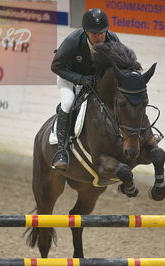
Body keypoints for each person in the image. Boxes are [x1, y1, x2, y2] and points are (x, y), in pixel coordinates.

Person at [50, 8, 120, 170]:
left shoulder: (112, 39)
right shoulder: (73, 41)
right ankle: (61, 151)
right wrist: (80, 79)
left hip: (94, 80)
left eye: (102, 33)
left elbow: (121, 60)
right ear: (86, 31)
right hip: (70, 77)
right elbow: (56, 66)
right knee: (68, 103)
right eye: (95, 34)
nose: (99, 37)